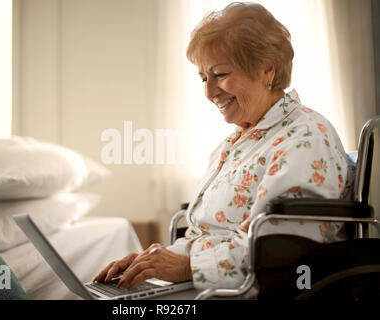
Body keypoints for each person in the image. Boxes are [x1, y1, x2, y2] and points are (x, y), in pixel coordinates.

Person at [94, 2, 352, 297]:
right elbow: (209, 238)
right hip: (211, 287)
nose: (208, 92)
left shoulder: (304, 139)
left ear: (267, 68)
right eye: (204, 78)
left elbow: (284, 248)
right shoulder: (232, 145)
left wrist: (185, 268)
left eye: (220, 74)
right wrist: (152, 263)